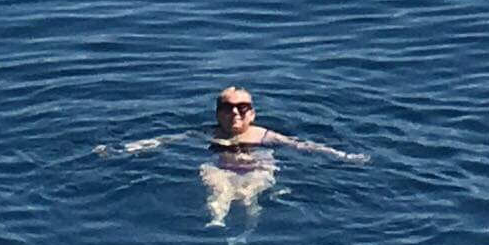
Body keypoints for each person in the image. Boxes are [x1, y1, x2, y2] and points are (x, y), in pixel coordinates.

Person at [111, 85, 365, 221]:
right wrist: (125, 149)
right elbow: (163, 141)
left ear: (252, 114)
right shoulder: (207, 133)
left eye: (242, 108)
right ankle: (217, 223)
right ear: (217, 113)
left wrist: (343, 156)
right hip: (220, 166)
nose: (235, 113)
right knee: (218, 193)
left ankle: (246, 231)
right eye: (228, 108)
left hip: (257, 165)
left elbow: (304, 146)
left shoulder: (265, 135)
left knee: (248, 197)